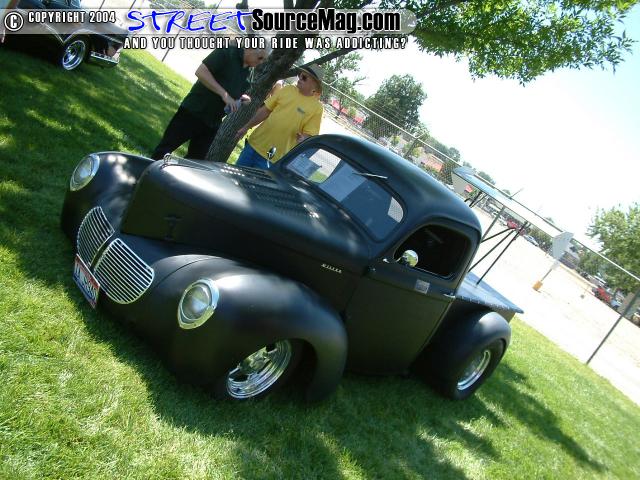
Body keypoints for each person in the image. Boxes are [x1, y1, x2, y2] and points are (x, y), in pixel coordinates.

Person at [151, 44, 268, 161]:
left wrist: (242, 98)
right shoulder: (227, 52)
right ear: (250, 48)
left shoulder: (249, 71)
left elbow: (233, 90)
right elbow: (201, 72)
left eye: (263, 60)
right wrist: (224, 94)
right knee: (165, 149)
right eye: (260, 58)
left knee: (195, 161)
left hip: (213, 122)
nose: (261, 62)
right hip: (194, 110)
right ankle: (147, 170)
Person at [234, 64, 324, 169]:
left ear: (314, 85)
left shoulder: (317, 108)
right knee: (233, 176)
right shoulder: (287, 89)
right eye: (300, 75)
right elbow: (265, 111)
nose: (299, 78)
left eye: (304, 77)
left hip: (273, 158)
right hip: (254, 145)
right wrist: (246, 127)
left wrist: (304, 138)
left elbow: (309, 135)